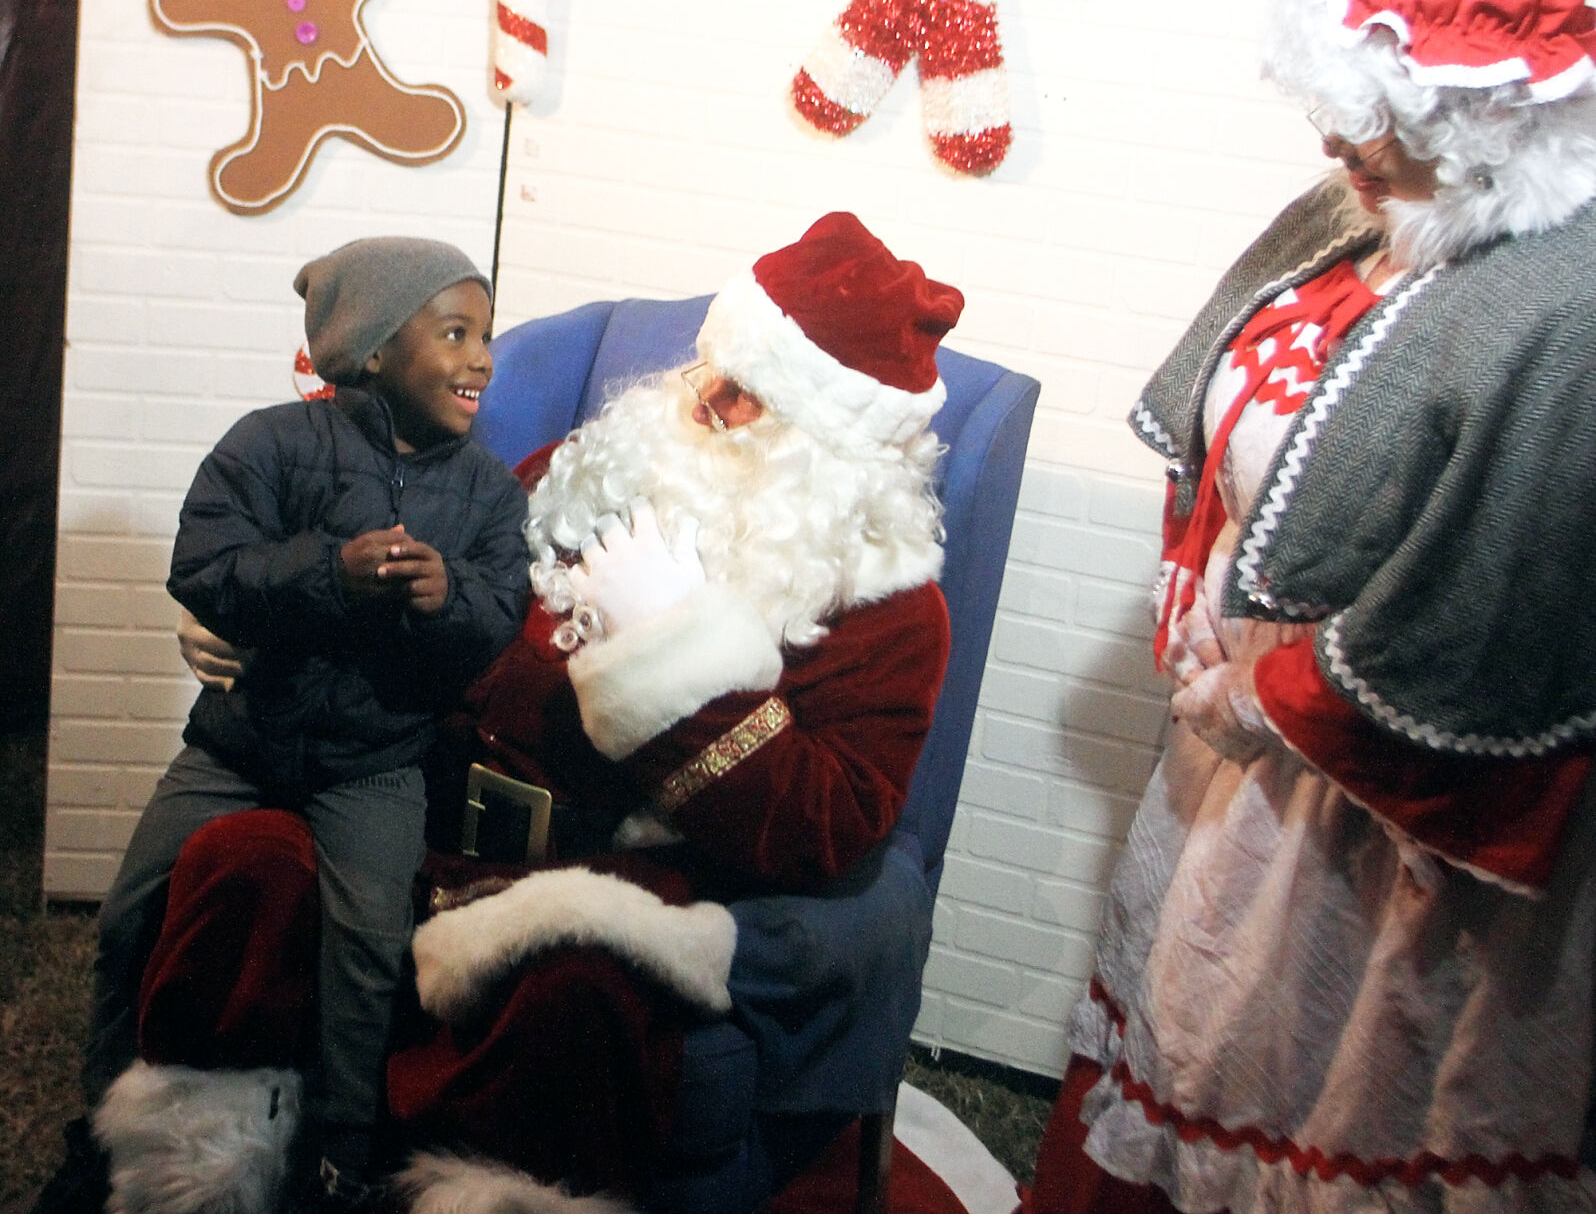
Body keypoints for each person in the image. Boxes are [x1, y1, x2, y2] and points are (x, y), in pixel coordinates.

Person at [87, 213, 961, 1214]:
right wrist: (250, 632)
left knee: (572, 990)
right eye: (713, 367)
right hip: (405, 814)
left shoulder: (888, 609)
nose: (703, 400)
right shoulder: (575, 470)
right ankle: (197, 1182)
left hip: (595, 883)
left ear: (836, 456)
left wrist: (671, 660)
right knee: (242, 864)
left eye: (750, 400)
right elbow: (410, 597)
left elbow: (831, 827)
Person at [1025, 0, 1596, 1210]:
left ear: (1489, 117)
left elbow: (1505, 605)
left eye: (1380, 114)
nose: (1338, 145)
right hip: (1238, 756)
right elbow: (1232, 408)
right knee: (1189, 1013)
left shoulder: (1571, 302)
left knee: (1324, 1071)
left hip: (1382, 798)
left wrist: (1276, 699)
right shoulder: (1355, 203)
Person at [36, 237, 532, 1214]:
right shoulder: (270, 443)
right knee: (131, 910)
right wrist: (327, 572)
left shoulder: (487, 492)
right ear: (376, 349)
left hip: (375, 763)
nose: (482, 358)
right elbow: (207, 566)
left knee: (370, 948)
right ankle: (102, 1128)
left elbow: (500, 621)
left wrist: (448, 598)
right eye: (456, 333)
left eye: (488, 337)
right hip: (241, 740)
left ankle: (344, 1153)